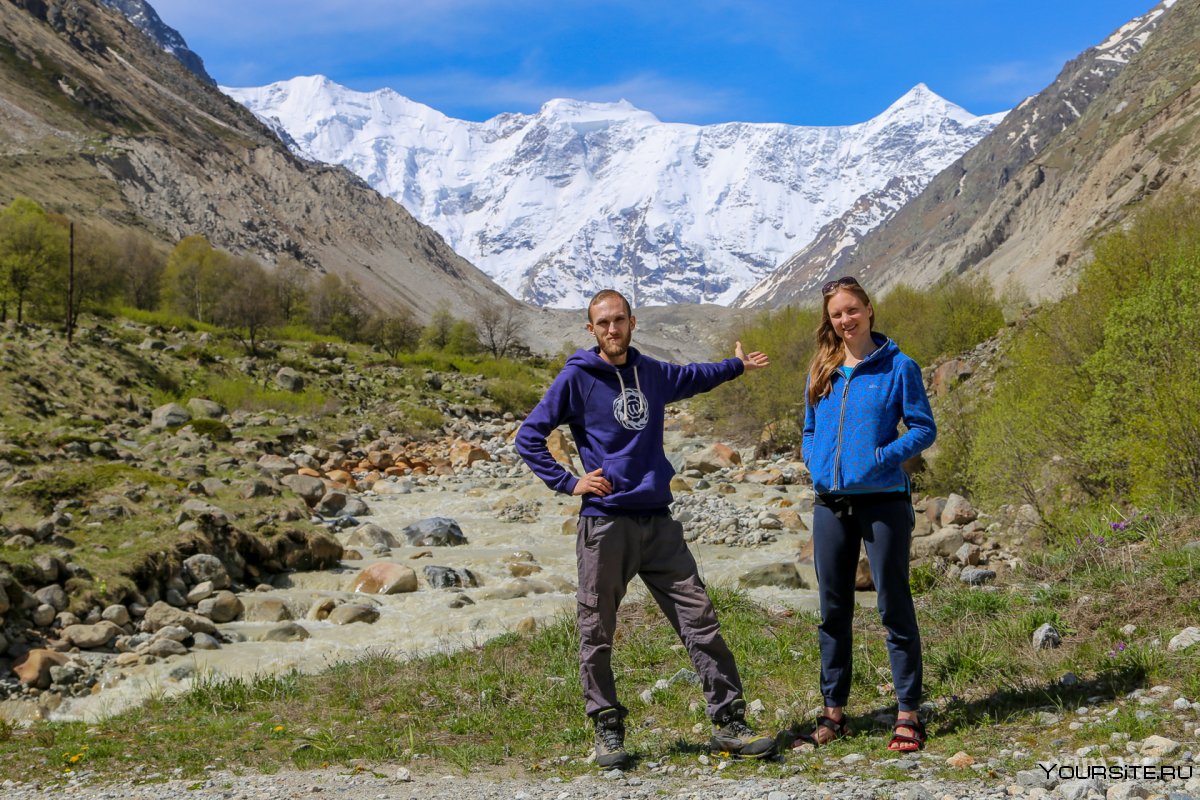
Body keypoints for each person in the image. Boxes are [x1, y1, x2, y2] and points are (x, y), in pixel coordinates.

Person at [515, 288, 776, 769]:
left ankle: (730, 722)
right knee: (596, 629)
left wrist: (736, 366)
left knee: (700, 618)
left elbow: (695, 377)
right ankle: (607, 728)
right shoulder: (577, 377)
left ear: (632, 322)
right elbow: (528, 437)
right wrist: (569, 482)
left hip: (658, 521)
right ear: (590, 330)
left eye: (619, 320)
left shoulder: (651, 372)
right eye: (602, 323)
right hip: (604, 524)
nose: (612, 329)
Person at [797, 276, 936, 753]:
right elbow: (810, 429)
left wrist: (881, 457)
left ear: (869, 310)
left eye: (852, 310)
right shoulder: (823, 365)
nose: (845, 320)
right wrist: (815, 463)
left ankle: (908, 712)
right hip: (830, 504)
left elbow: (922, 428)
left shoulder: (900, 366)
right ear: (829, 320)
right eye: (837, 314)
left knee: (893, 604)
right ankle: (833, 712)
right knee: (833, 609)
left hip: (883, 502)